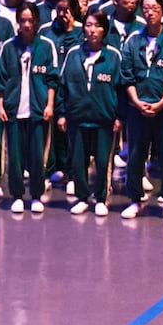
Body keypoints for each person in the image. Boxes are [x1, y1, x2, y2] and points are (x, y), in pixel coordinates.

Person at [118, 0, 163, 219]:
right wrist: (137, 102)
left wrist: (161, 103)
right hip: (137, 109)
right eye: (145, 8)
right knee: (135, 156)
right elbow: (126, 75)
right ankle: (135, 200)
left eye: (155, 8)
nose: (150, 12)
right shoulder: (133, 39)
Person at [57, 12, 123, 215]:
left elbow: (121, 89)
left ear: (105, 30)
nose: (92, 30)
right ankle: (82, 197)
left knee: (103, 161)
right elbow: (62, 86)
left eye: (97, 26)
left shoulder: (113, 56)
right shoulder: (73, 53)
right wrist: (62, 113)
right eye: (88, 25)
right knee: (78, 161)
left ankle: (101, 198)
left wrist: (119, 116)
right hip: (77, 117)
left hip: (104, 118)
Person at [0, 4, 57, 211]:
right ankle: (16, 195)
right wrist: (1, 105)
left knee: (37, 156)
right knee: (15, 156)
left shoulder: (47, 46)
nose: (26, 25)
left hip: (38, 109)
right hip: (13, 109)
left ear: (37, 21)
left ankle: (36, 195)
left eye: (30, 20)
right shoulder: (8, 47)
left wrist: (50, 105)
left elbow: (52, 79)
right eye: (22, 20)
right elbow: (1, 78)